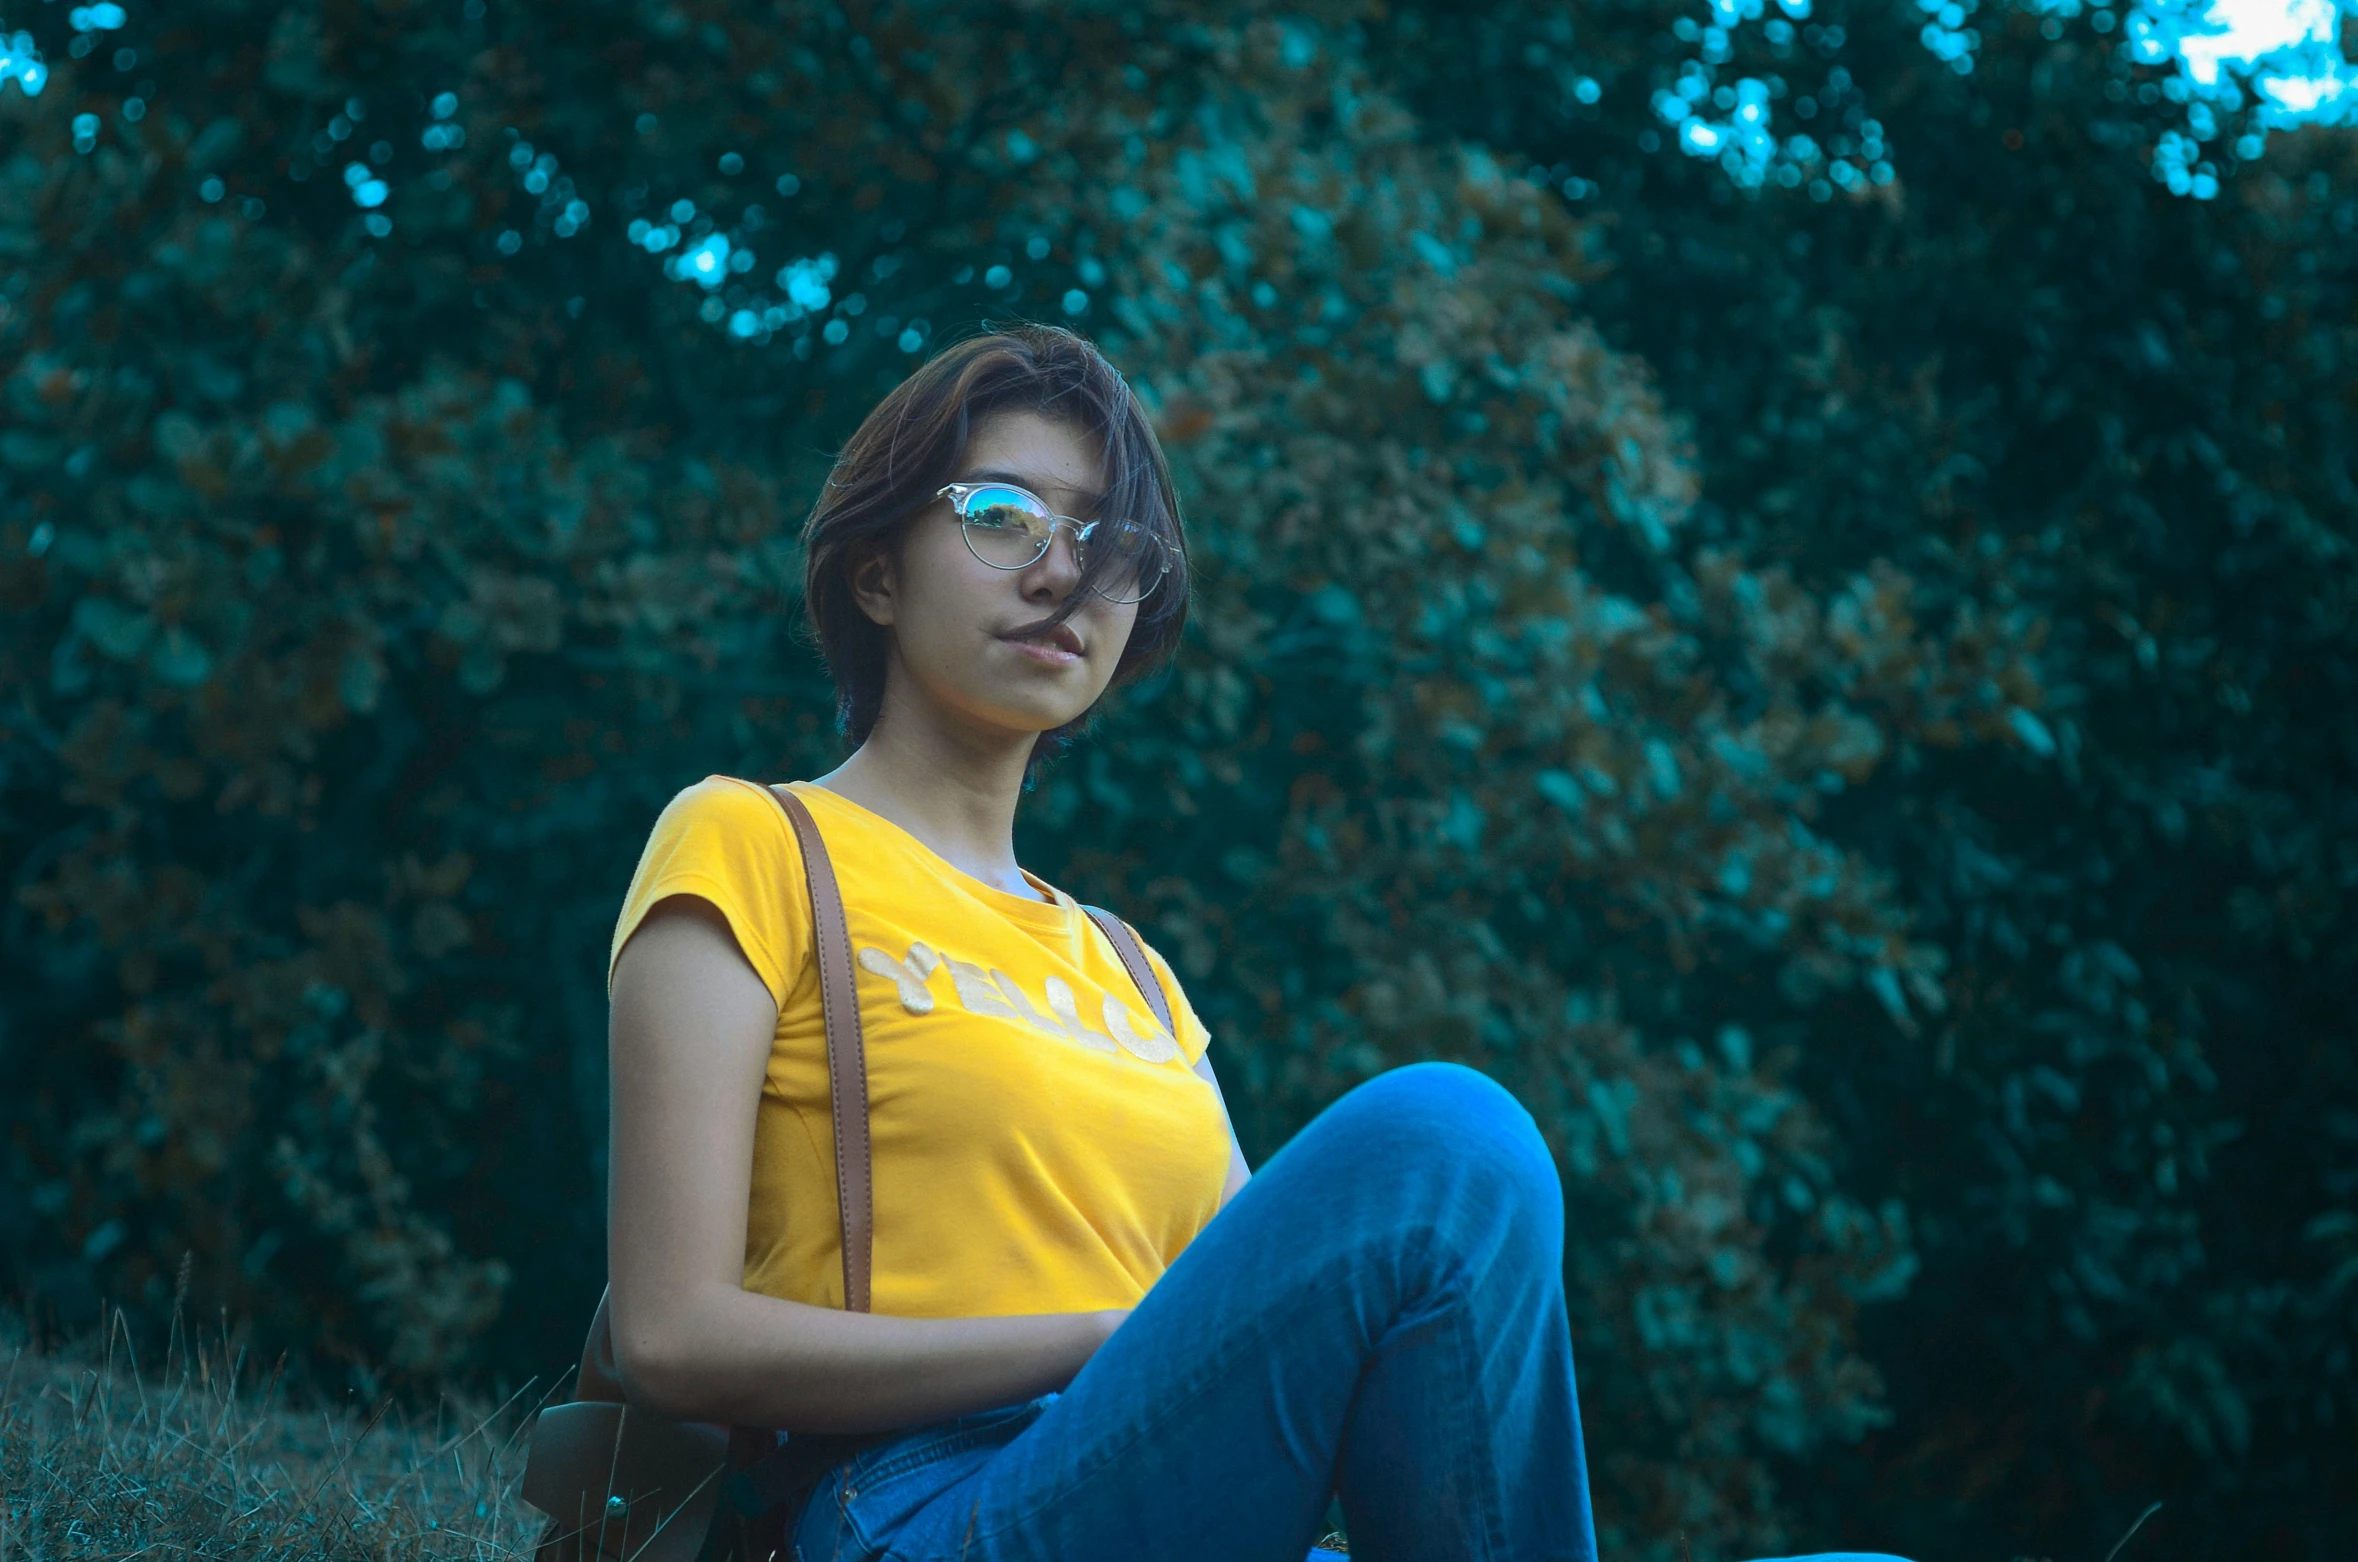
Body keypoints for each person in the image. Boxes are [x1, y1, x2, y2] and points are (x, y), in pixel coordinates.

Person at [603, 324, 1910, 1562]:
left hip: (1182, 1504)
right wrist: (1109, 1343)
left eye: (1108, 541)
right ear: (877, 571)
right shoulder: (753, 843)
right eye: (1000, 514)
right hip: (911, 1505)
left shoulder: (1129, 968)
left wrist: (1153, 1365)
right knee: (1446, 1138)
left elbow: (1287, 1327)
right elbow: (673, 1335)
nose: (1064, 570)